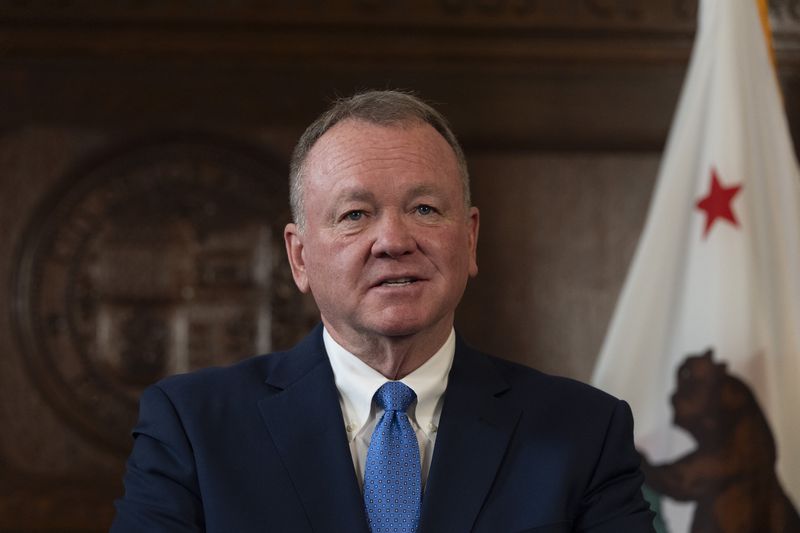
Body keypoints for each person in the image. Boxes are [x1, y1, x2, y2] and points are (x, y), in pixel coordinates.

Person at [111, 90, 655, 532]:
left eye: (424, 209)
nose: (393, 240)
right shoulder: (192, 427)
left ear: (469, 240)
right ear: (299, 257)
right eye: (355, 214)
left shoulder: (584, 431)